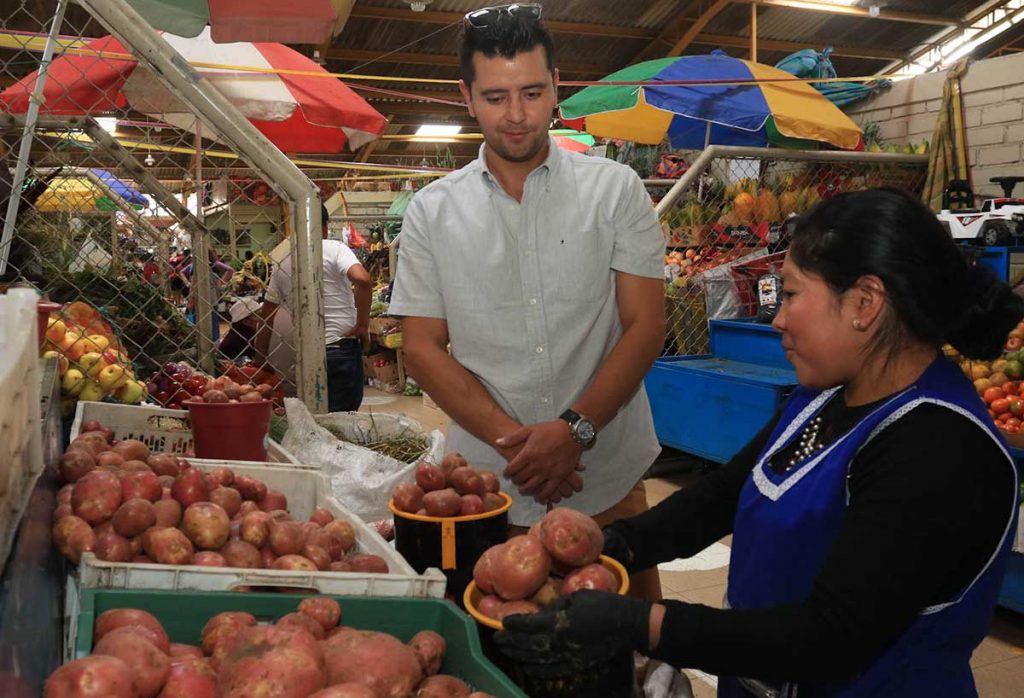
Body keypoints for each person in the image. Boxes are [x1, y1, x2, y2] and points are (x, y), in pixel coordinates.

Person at [496, 188, 1023, 698]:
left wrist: (642, 622)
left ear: (865, 302)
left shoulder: (939, 447)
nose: (778, 318)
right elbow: (723, 495)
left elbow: (830, 637)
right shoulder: (824, 396)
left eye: (792, 294)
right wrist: (616, 545)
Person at [388, 5, 666, 598]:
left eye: (532, 92)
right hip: (489, 490)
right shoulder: (432, 213)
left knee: (632, 659)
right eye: (495, 97)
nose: (516, 116)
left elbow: (645, 326)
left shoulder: (615, 191)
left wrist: (575, 432)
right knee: (503, 653)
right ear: (466, 96)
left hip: (608, 475)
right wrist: (524, 448)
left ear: (557, 86)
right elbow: (422, 348)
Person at [253, 203, 371, 412]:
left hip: (306, 355)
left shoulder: (283, 263)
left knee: (317, 417)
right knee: (344, 420)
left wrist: (261, 360)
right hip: (340, 348)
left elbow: (265, 319)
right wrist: (362, 326)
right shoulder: (335, 248)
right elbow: (362, 280)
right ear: (325, 226)